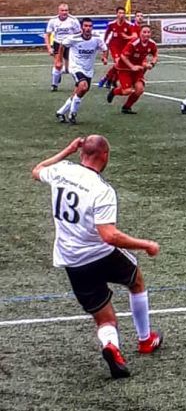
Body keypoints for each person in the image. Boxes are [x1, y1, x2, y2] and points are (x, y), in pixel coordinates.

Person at [32, 134, 162, 379]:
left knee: (105, 320)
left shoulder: (60, 170)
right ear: (105, 156)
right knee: (136, 282)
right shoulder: (102, 190)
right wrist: (145, 244)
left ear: (82, 153)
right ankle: (145, 340)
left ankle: (110, 346)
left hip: (72, 259)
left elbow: (37, 170)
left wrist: (66, 150)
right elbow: (109, 236)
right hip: (101, 254)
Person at [55, 18, 108, 125]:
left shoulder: (97, 39)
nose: (88, 28)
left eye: (90, 26)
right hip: (75, 67)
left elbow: (105, 49)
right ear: (81, 27)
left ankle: (61, 112)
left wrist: (104, 57)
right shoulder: (74, 38)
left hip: (88, 69)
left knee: (80, 91)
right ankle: (72, 114)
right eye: (85, 26)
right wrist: (59, 60)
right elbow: (62, 45)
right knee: (83, 86)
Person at [107, 24, 158, 114]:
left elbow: (155, 55)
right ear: (140, 33)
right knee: (127, 91)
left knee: (139, 89)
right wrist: (132, 67)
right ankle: (114, 91)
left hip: (137, 70)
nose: (146, 34)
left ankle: (126, 107)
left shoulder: (152, 44)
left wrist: (152, 63)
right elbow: (123, 56)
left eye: (148, 32)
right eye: (144, 32)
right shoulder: (134, 43)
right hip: (124, 68)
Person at [44, 3, 81, 92]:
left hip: (70, 45)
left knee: (70, 69)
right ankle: (54, 85)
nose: (64, 12)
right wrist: (49, 48)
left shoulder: (74, 20)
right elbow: (47, 35)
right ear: (58, 11)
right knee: (58, 65)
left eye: (66, 10)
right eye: (62, 10)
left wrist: (78, 46)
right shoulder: (53, 21)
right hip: (58, 44)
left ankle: (60, 73)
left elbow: (79, 34)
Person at [98, 6, 136, 89]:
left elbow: (134, 36)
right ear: (116, 14)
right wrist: (103, 48)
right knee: (119, 63)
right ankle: (106, 79)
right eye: (120, 13)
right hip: (114, 47)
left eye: (123, 13)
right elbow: (106, 35)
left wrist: (127, 37)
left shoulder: (129, 25)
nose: (121, 15)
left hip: (125, 48)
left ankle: (110, 79)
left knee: (122, 66)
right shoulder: (111, 24)